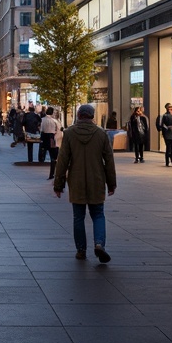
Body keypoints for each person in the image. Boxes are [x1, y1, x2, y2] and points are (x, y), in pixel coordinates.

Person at [52, 104, 116, 263]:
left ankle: (81, 250)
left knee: (78, 217)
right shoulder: (101, 134)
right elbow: (109, 160)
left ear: (79, 115)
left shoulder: (69, 134)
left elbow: (62, 161)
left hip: (77, 180)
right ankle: (99, 243)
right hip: (97, 180)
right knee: (98, 214)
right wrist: (111, 183)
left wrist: (58, 184)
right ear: (92, 116)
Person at [156, 103, 172, 168]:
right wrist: (168, 128)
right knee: (168, 147)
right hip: (168, 134)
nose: (170, 110)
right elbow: (162, 125)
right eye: (169, 108)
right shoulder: (165, 116)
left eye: (171, 108)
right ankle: (168, 162)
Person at [40, 106, 61, 178]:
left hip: (44, 137)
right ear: (52, 113)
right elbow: (59, 130)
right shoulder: (54, 121)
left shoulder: (42, 120)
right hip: (52, 138)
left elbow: (41, 129)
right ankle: (52, 173)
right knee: (53, 157)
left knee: (43, 152)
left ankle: (41, 160)